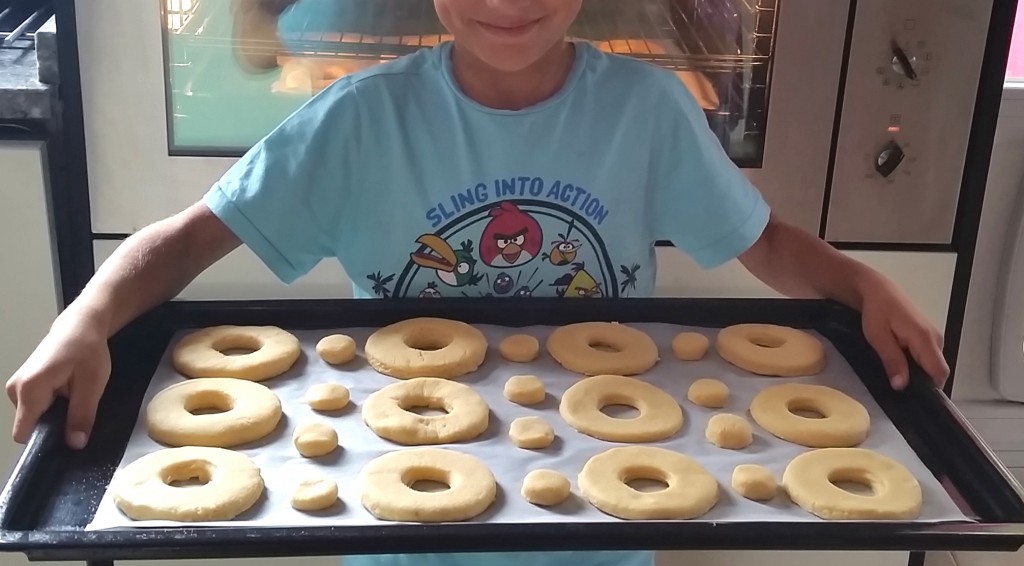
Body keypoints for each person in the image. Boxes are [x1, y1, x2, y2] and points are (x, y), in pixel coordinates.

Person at [7, 1, 949, 565]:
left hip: (598, 524)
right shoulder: (362, 122)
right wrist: (87, 317)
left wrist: (858, 282)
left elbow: (762, 240)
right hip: (398, 533)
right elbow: (187, 239)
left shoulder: (646, 111)